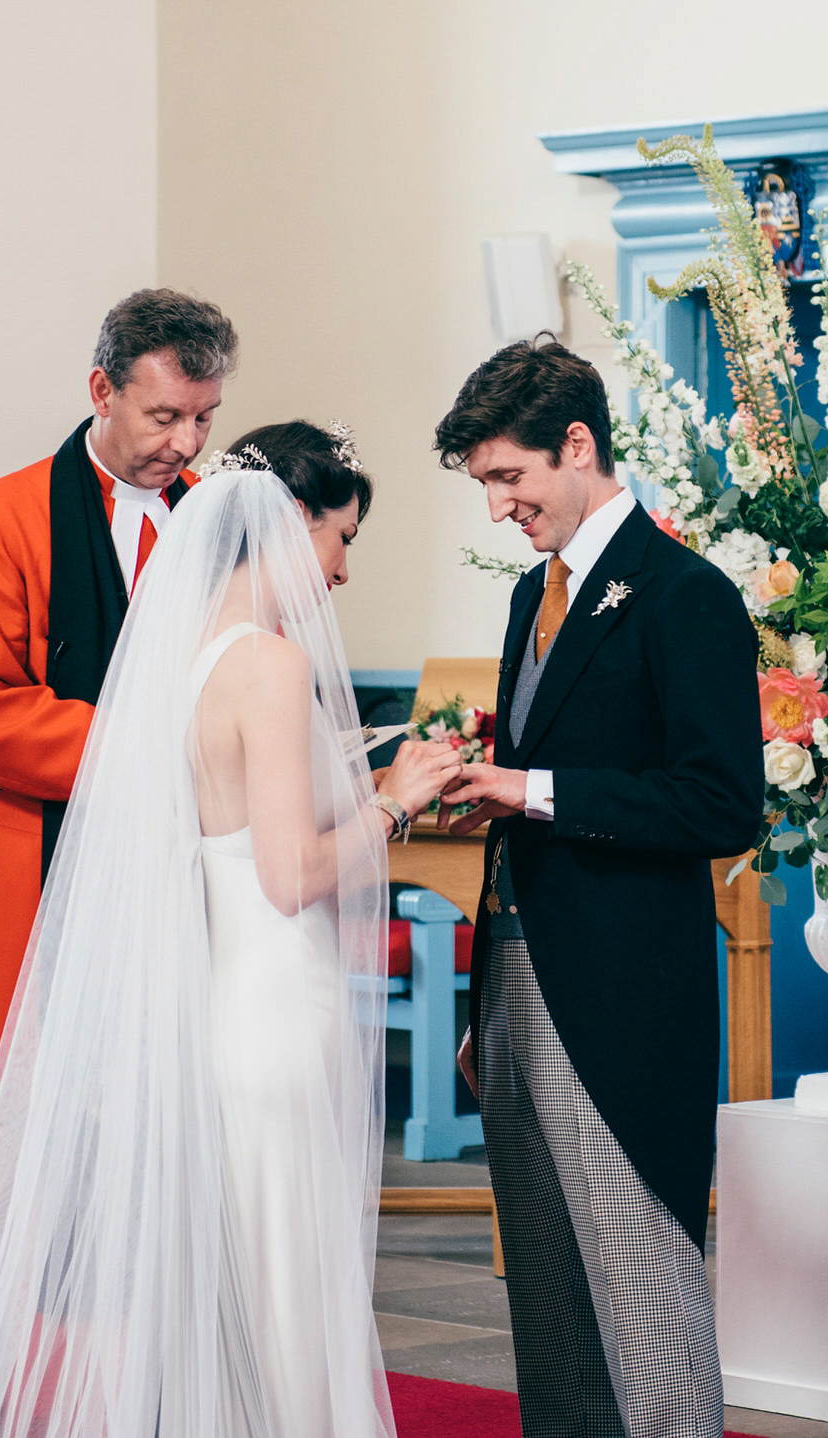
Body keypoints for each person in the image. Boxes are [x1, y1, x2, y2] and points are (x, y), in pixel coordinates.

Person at [0, 421, 461, 1437]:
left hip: (221, 1017)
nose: (345, 569)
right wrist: (397, 799)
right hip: (279, 1013)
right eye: (341, 537)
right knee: (287, 1309)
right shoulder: (270, 667)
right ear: (286, 525)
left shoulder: (180, 661)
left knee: (233, 1309)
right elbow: (290, 875)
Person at [0, 288, 239, 1400]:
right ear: (101, 389)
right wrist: (152, 744)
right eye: (166, 416)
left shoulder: (218, 515)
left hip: (194, 881)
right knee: (10, 1139)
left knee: (179, 1142)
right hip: (41, 867)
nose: (184, 444)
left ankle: (151, 1386)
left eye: (204, 420)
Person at [434, 336, 763, 1438]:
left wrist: (530, 789)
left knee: (641, 1278)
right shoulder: (535, 592)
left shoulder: (688, 595)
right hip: (518, 974)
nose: (499, 506)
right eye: (486, 484)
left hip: (623, 990)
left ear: (578, 445)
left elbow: (720, 804)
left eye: (509, 478)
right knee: (549, 1286)